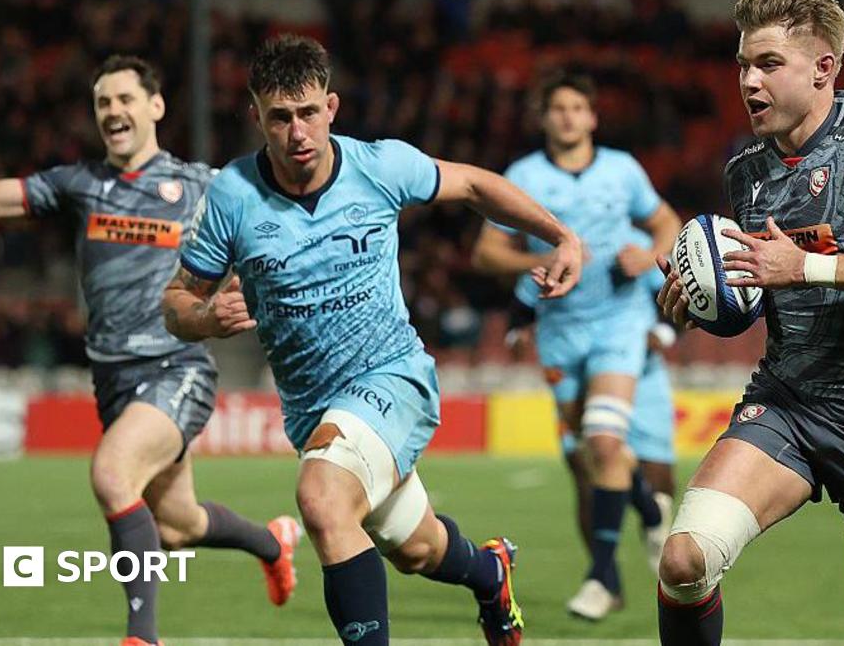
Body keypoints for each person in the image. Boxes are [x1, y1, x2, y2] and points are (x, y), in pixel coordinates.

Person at [162, 35, 583, 646]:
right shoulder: (232, 195)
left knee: (322, 499)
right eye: (280, 118)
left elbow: (473, 186)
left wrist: (560, 236)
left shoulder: (379, 167)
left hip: (391, 375)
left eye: (309, 113)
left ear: (331, 107)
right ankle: (490, 571)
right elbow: (176, 302)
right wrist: (203, 318)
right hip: (313, 411)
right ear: (256, 117)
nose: (297, 132)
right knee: (417, 549)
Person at [0, 56, 299, 646]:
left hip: (177, 367)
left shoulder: (203, 185)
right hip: (113, 381)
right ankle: (273, 543)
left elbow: (282, 220)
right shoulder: (81, 184)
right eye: (103, 103)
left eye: (124, 99)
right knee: (177, 525)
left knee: (112, 474)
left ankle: (142, 638)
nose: (113, 111)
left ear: (155, 106)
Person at [653, 0, 844, 645]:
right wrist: (701, 296)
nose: (748, 81)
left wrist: (806, 266)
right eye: (742, 65)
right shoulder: (745, 173)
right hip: (786, 401)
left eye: (767, 64)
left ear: (823, 68)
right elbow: (763, 289)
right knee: (685, 561)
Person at [472, 71, 681, 620]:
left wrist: (649, 255)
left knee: (605, 444)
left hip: (619, 324)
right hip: (559, 332)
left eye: (577, 108)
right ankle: (647, 509)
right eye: (557, 108)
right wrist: (537, 259)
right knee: (583, 460)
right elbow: (486, 253)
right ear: (543, 118)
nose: (567, 117)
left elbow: (668, 223)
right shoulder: (523, 176)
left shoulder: (622, 169)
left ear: (592, 117)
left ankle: (600, 579)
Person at [503, 233, 677, 584]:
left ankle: (655, 526)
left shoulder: (633, 244)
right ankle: (605, 576)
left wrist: (662, 334)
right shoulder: (553, 252)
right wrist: (516, 335)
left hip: (639, 371)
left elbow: (675, 298)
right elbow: (520, 311)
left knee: (657, 475)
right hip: (576, 374)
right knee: (587, 466)